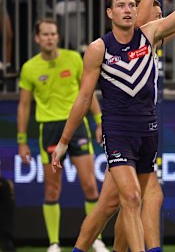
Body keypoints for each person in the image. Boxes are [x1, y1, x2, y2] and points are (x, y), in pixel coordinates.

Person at [50, 0, 175, 252]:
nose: (128, 10)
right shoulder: (98, 49)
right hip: (117, 131)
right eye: (120, 5)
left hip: (148, 132)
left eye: (131, 5)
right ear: (109, 13)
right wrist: (65, 140)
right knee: (131, 198)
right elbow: (83, 98)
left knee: (119, 203)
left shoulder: (150, 34)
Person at [16, 18, 107, 252]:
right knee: (52, 189)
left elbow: (88, 94)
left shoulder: (74, 59)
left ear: (58, 36)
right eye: (45, 34)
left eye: (53, 34)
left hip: (76, 126)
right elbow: (24, 106)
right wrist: (22, 141)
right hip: (48, 130)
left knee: (90, 186)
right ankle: (54, 243)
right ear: (37, 38)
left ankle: (95, 239)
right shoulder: (29, 68)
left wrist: (99, 122)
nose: (49, 38)